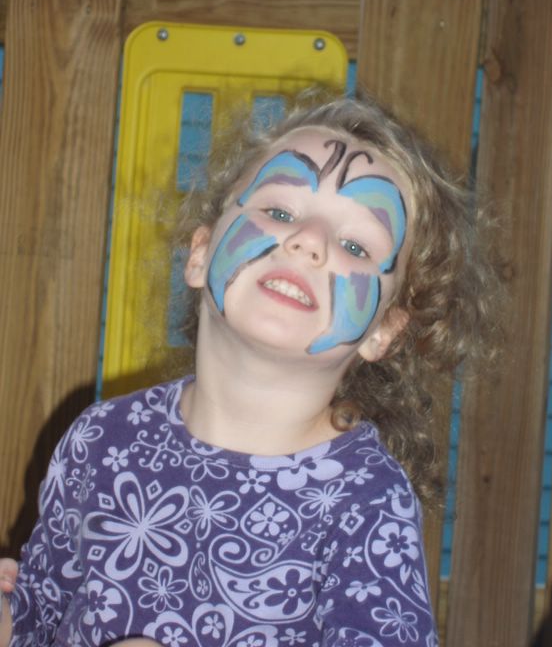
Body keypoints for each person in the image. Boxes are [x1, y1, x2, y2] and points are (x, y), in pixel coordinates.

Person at [0, 97, 502, 646]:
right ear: (200, 253)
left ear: (383, 330)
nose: (308, 241)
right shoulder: (101, 439)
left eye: (355, 245)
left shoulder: (366, 499)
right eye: (280, 213)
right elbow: (37, 619)